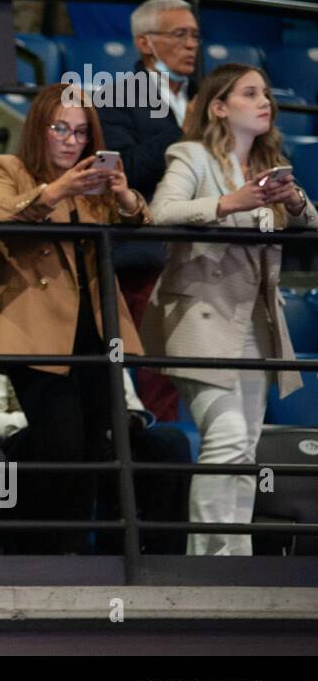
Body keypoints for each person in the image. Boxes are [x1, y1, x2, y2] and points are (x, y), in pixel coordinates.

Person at [141, 64, 318, 556]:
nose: (266, 101)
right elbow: (161, 211)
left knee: (244, 448)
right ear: (219, 107)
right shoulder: (190, 155)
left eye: (265, 92)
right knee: (227, 436)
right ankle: (208, 564)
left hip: (254, 321)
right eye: (250, 93)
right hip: (201, 317)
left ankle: (232, 561)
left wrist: (296, 201)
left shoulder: (270, 161)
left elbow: (312, 221)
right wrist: (226, 202)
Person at [0, 82, 149, 553]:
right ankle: (24, 551)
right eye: (60, 129)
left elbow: (141, 222)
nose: (71, 142)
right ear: (39, 128)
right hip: (33, 331)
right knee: (61, 445)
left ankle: (64, 556)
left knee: (92, 451)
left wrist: (125, 194)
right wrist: (55, 191)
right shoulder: (6, 167)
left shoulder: (92, 182)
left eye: (80, 132)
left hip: (95, 330)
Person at [0, 315, 191, 554]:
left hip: (101, 434)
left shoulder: (95, 324)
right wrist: (54, 418)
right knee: (59, 436)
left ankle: (160, 561)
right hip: (29, 435)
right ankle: (49, 554)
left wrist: (127, 419)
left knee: (169, 443)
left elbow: (131, 406)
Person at [99, 0, 202, 421]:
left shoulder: (211, 96)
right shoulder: (115, 96)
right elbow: (123, 170)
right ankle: (159, 464)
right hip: (149, 256)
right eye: (180, 34)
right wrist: (184, 133)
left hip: (211, 256)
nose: (192, 44)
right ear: (145, 43)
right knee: (157, 379)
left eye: (195, 34)